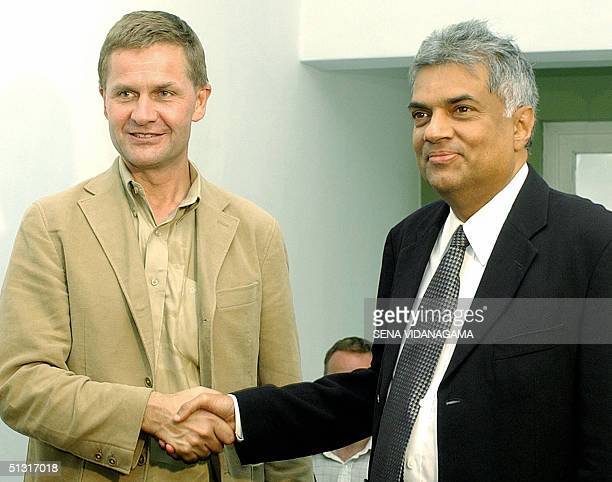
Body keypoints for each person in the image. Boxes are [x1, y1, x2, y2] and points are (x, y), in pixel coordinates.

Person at [167, 20, 612, 481]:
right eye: (421, 115)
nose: (434, 131)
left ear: (520, 125)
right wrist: (238, 413)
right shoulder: (408, 241)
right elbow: (382, 389)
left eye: (460, 110)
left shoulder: (591, 245)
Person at [0, 10, 312, 482]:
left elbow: (282, 404)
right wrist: (147, 412)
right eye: (126, 93)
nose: (143, 114)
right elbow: (19, 384)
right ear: (104, 100)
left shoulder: (256, 232)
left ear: (199, 100)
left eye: (164, 93)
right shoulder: (51, 224)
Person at [313, 337, 372, 482]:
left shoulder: (393, 458)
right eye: (340, 383)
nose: (349, 394)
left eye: (360, 383)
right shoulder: (299, 456)